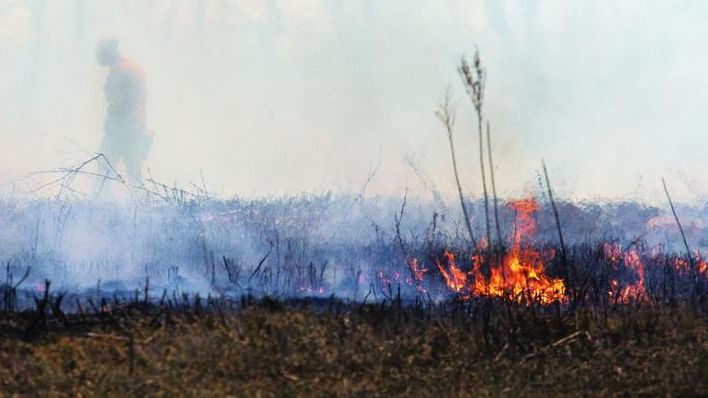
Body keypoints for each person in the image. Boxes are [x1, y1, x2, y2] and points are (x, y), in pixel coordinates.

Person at [95, 39, 151, 184]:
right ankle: (139, 202)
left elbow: (131, 101)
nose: (97, 57)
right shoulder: (124, 69)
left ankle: (100, 201)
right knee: (131, 170)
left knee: (106, 168)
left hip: (125, 128)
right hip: (127, 127)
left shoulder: (125, 70)